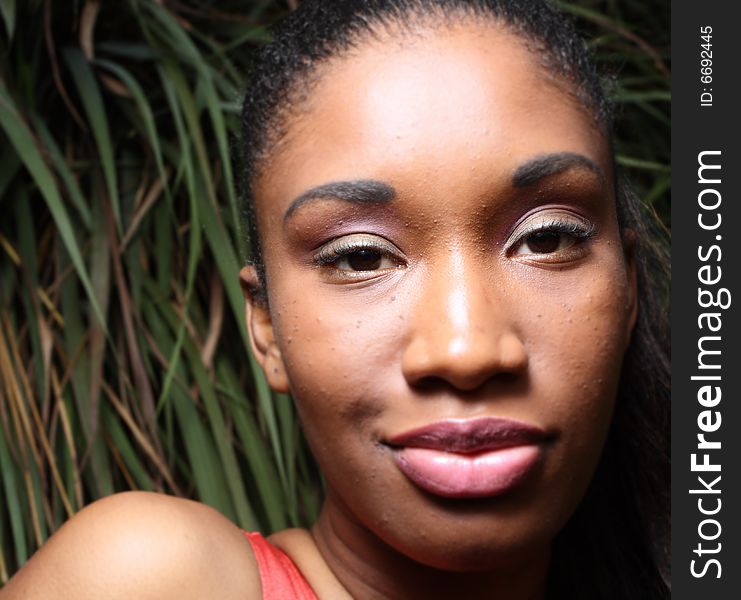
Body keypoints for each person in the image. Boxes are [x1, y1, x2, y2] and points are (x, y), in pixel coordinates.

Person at [0, 0, 670, 598]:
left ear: (628, 288)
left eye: (546, 239)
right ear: (266, 328)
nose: (465, 350)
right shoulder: (151, 579)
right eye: (359, 257)